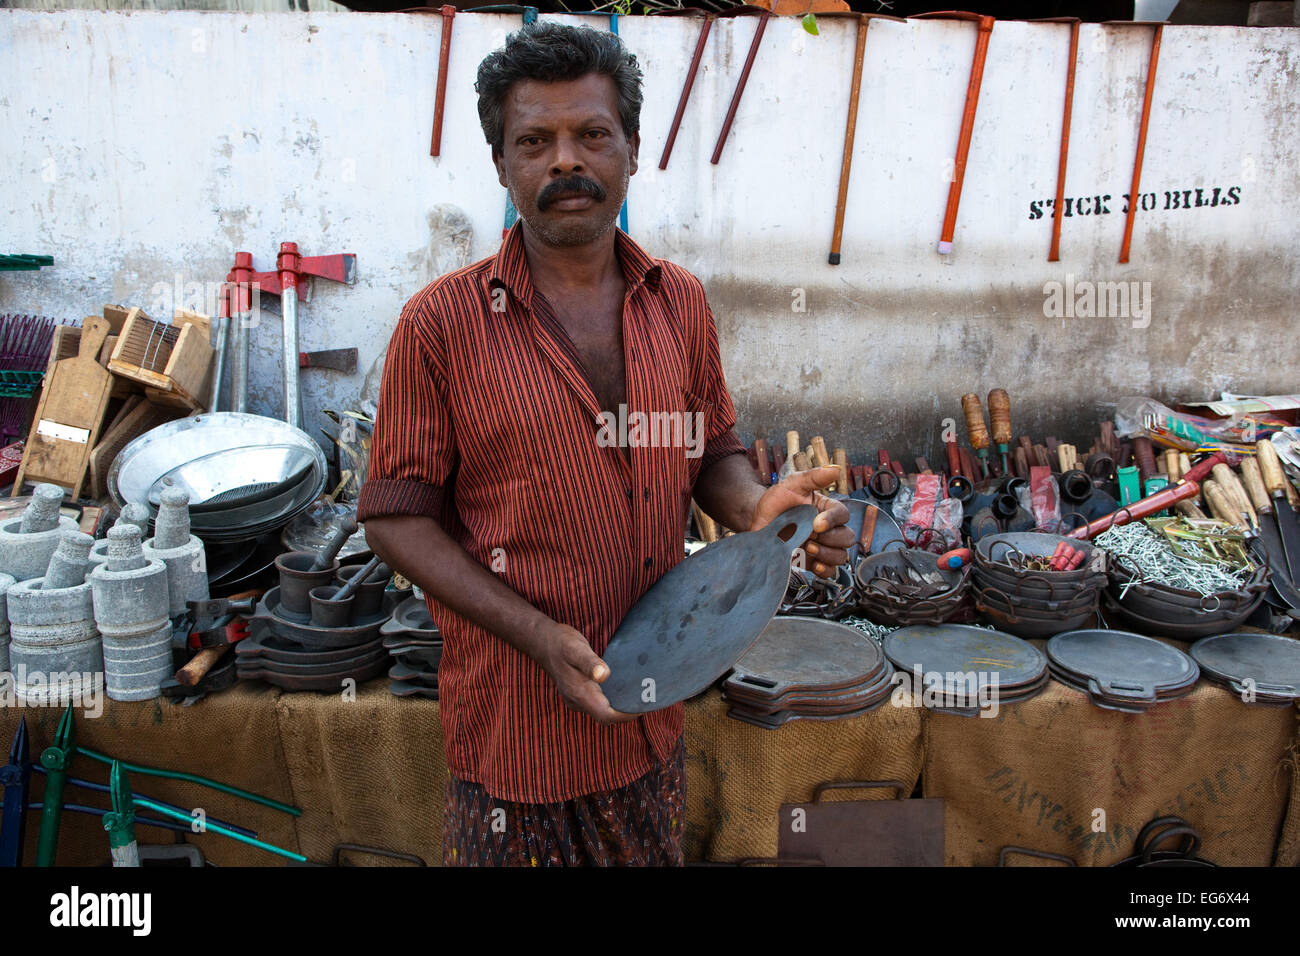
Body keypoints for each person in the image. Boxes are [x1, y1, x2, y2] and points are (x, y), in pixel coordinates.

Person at [358, 21, 852, 867]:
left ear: (631, 150)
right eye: (534, 141)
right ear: (503, 164)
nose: (565, 162)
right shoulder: (438, 326)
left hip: (651, 714)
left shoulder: (680, 302)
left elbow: (711, 452)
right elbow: (395, 519)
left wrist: (755, 508)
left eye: (591, 134)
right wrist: (539, 635)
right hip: (515, 732)